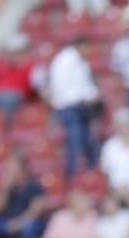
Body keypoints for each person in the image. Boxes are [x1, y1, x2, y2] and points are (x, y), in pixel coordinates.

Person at [47, 36, 100, 180]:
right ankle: (70, 176)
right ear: (81, 46)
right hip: (70, 108)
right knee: (75, 142)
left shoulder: (79, 61)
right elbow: (65, 89)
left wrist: (91, 95)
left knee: (86, 141)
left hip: (79, 107)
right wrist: (85, 97)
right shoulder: (65, 61)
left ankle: (91, 173)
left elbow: (85, 84)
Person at [0, 156, 48, 238]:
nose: (10, 174)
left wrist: (18, 223)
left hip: (26, 221)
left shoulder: (34, 186)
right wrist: (4, 189)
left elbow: (35, 212)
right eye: (8, 171)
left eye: (13, 171)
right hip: (6, 222)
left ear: (23, 171)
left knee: (29, 228)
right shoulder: (7, 188)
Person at [0, 33, 37, 130]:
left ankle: (5, 129)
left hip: (16, 95)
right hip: (0, 93)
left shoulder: (30, 66)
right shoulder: (0, 65)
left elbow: (34, 86)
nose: (13, 54)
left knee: (8, 99)